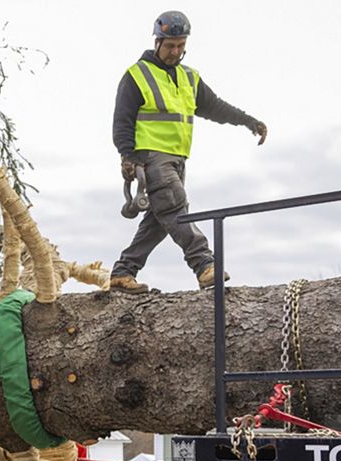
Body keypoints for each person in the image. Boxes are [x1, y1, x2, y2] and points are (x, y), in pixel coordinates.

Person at [109, 10, 267, 294]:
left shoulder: (189, 78)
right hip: (151, 157)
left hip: (179, 159)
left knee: (160, 221)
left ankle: (123, 272)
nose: (176, 51)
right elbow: (122, 121)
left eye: (181, 45)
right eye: (170, 45)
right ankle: (205, 265)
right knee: (175, 207)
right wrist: (127, 156)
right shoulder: (137, 75)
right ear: (157, 41)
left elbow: (216, 107)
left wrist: (248, 121)